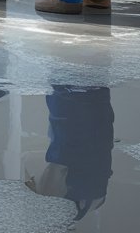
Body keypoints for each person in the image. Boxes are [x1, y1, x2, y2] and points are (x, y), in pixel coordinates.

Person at [23, 86, 115, 222]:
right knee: (66, 79)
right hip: (69, 117)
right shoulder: (53, 201)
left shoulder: (97, 202)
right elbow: (43, 169)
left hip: (98, 115)